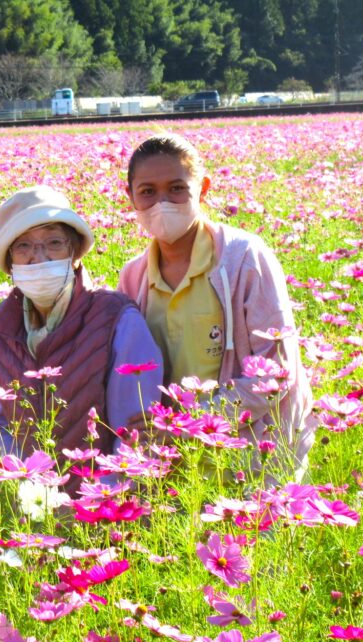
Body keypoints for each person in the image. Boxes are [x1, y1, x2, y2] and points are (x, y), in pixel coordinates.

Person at [117, 133, 315, 478]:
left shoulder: (243, 259)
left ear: (203, 188)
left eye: (177, 188)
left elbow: (276, 374)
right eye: (147, 191)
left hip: (255, 455)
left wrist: (188, 426)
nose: (162, 203)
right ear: (130, 197)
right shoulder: (134, 277)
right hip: (174, 462)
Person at [0, 185, 163, 460]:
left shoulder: (117, 319)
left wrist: (93, 499)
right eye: (23, 246)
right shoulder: (6, 327)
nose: (39, 257)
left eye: (54, 242)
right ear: (10, 262)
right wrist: (26, 485)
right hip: (34, 496)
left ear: (75, 252)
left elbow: (135, 437)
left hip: (102, 498)